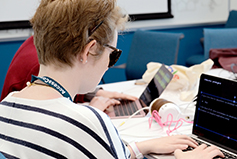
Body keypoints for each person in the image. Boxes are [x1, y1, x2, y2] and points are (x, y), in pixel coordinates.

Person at [0, 0, 224, 158]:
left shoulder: (6, 105)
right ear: (89, 51)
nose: (110, 64)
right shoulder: (85, 122)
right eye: (113, 54)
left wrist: (141, 147)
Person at [0, 36, 137, 111]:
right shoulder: (39, 65)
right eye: (111, 55)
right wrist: (91, 114)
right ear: (89, 49)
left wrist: (93, 94)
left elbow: (58, 88)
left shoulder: (41, 44)